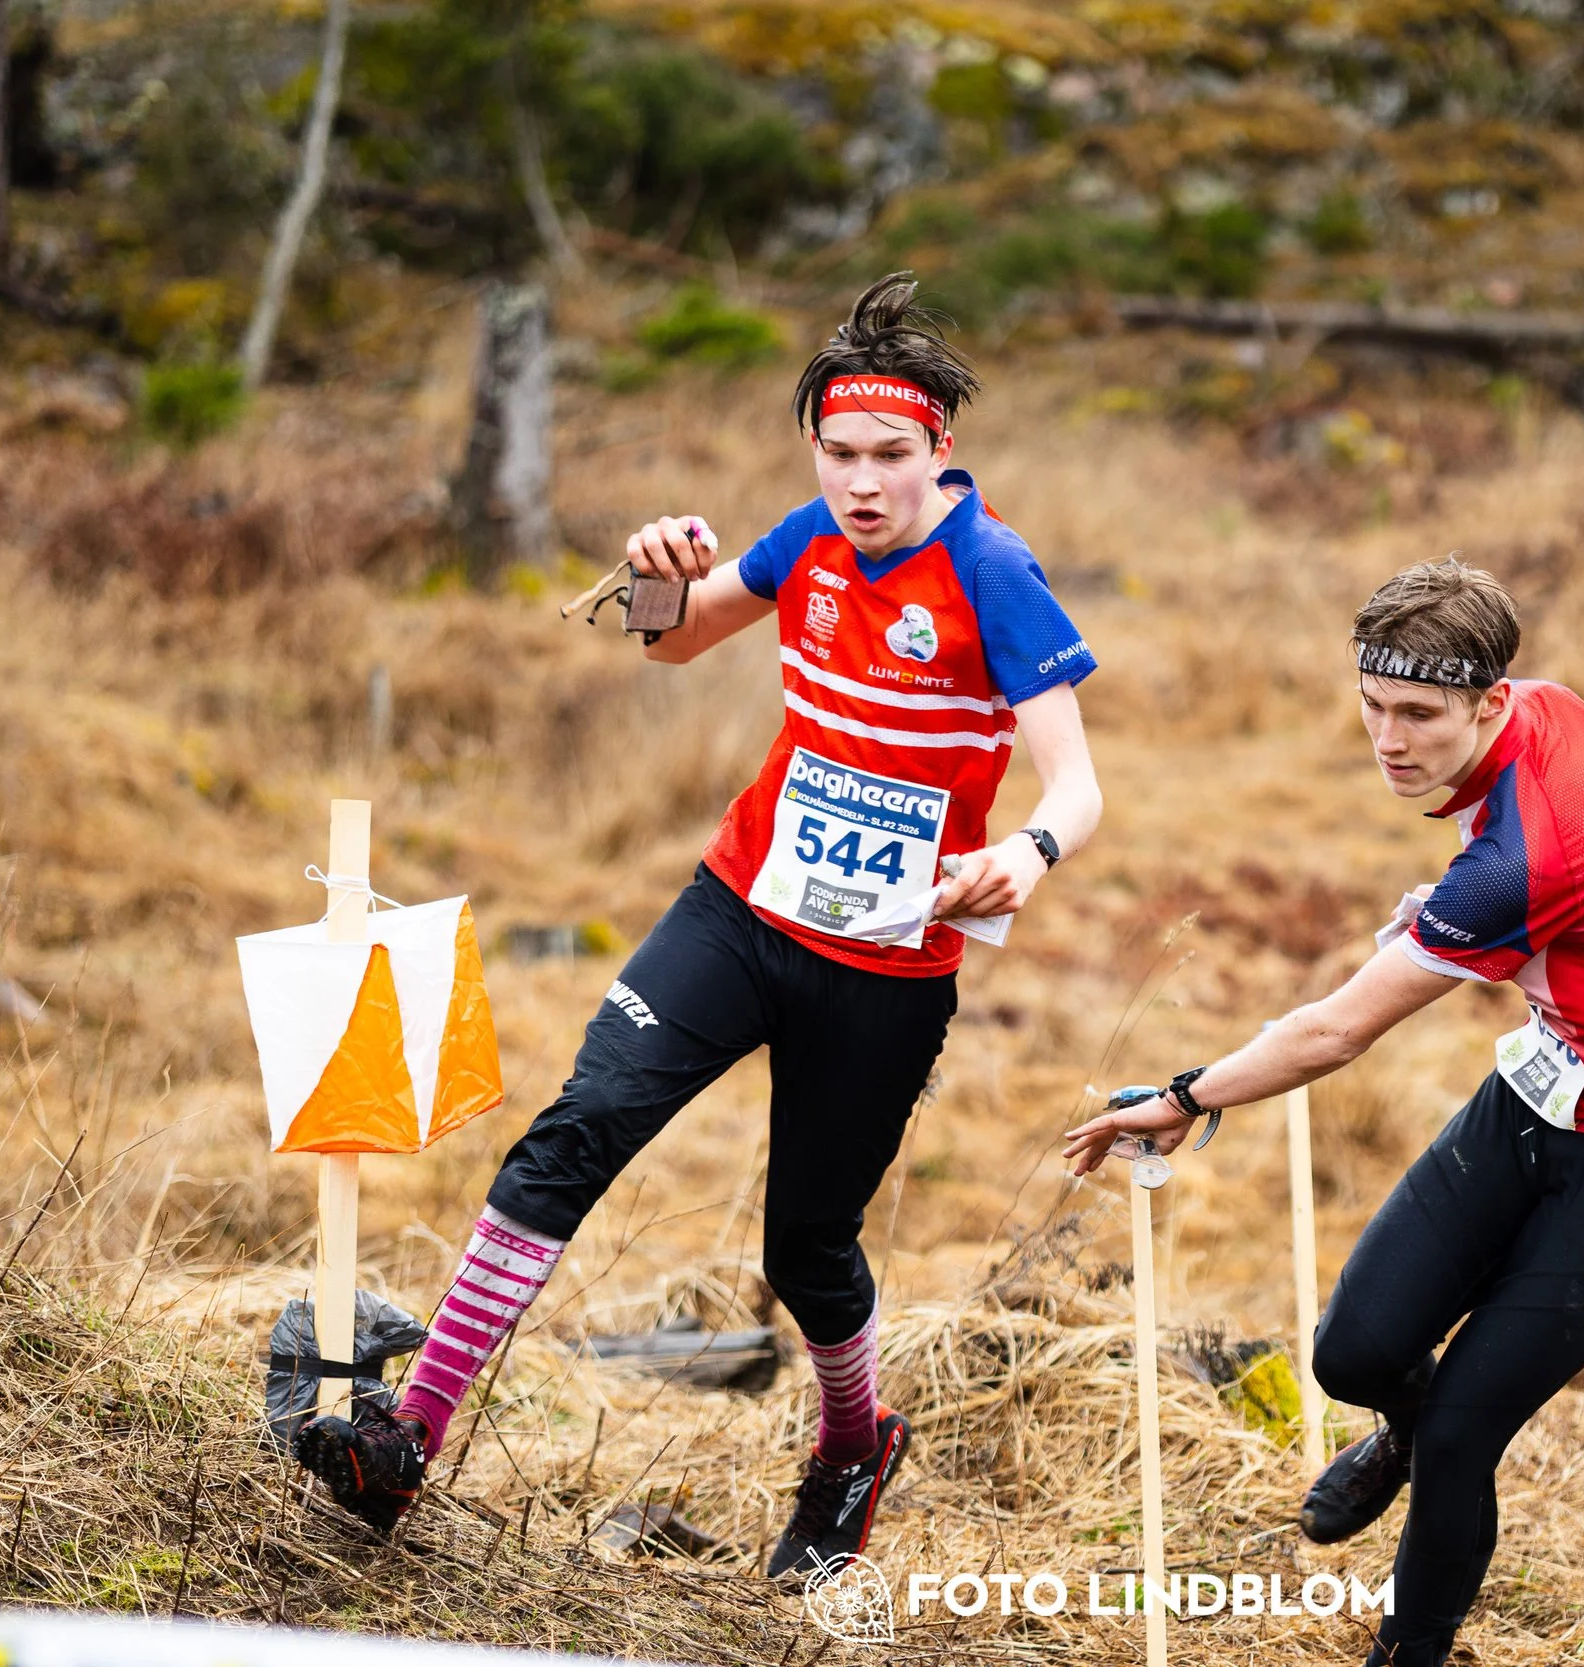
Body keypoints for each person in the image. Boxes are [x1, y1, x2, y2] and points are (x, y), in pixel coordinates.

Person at [297, 274, 1103, 1582]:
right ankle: (406, 1440)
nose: (861, 482)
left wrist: (1026, 849)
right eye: (838, 452)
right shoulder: (810, 537)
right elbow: (667, 641)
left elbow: (1079, 785)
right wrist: (652, 580)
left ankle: (852, 1444)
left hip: (888, 968)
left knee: (807, 1247)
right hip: (739, 909)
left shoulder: (992, 571)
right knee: (578, 1127)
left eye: (890, 454)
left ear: (939, 447)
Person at [1064, 557, 1584, 1667]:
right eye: (1372, 703)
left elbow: (1336, 1030)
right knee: (1354, 1351)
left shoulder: (1519, 860)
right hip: (1542, 1085)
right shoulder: (1551, 709)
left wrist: (1184, 1097)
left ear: (1487, 701)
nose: (1388, 738)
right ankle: (1403, 1431)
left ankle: (1409, 1650)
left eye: (1419, 714)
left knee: (1467, 1428)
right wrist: (1543, 905)